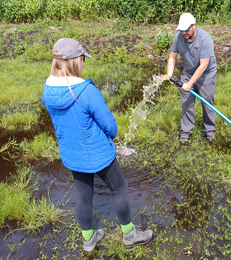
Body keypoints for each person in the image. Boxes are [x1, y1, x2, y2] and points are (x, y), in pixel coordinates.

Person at [42, 38, 153, 252]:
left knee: (84, 197)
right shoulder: (86, 91)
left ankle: (89, 240)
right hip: (99, 153)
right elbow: (110, 127)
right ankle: (130, 235)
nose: (84, 63)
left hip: (72, 155)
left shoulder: (47, 89)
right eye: (82, 59)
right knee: (120, 189)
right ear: (74, 61)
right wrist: (111, 134)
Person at [167, 12, 217, 145]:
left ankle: (210, 131)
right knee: (187, 103)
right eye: (182, 30)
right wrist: (169, 75)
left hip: (206, 74)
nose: (184, 32)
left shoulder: (205, 38)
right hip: (188, 72)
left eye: (186, 29)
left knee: (207, 102)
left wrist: (189, 84)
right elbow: (172, 57)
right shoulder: (179, 37)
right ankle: (185, 133)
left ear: (194, 25)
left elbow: (203, 65)